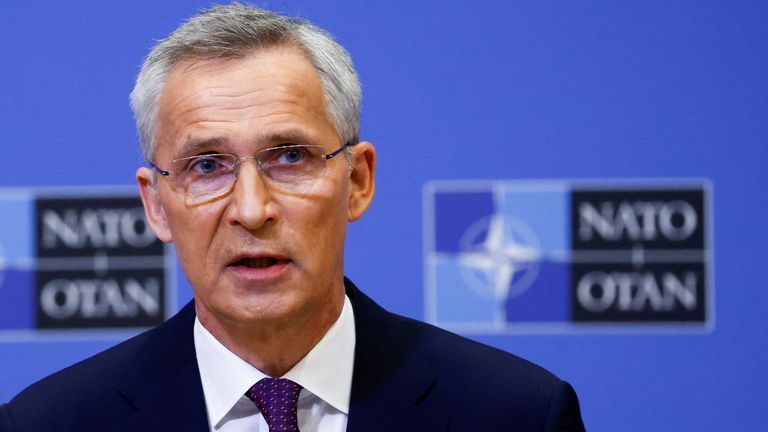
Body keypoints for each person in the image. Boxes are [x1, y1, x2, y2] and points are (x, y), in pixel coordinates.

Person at [0, 4, 585, 431]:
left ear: (357, 181)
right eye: (207, 166)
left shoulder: (516, 413)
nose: (252, 210)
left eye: (289, 156)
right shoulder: (49, 423)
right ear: (156, 203)